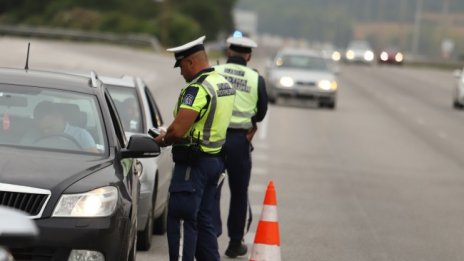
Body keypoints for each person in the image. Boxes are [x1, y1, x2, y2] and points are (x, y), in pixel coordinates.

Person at [152, 35, 236, 261]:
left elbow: (178, 131)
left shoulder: (197, 89)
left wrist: (161, 139)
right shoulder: (222, 84)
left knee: (180, 218)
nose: (181, 73)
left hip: (193, 165)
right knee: (202, 219)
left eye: (181, 66)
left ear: (190, 62)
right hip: (214, 161)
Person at [213, 32, 269, 258]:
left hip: (214, 138)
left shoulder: (215, 72)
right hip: (239, 140)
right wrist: (251, 124)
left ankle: (209, 236)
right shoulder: (255, 79)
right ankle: (235, 243)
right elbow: (262, 110)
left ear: (228, 52)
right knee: (238, 193)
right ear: (249, 55)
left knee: (211, 189)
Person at [21, 101, 97, 152]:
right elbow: (22, 155)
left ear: (59, 117)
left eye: (49, 127)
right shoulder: (32, 134)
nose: (45, 132)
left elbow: (94, 164)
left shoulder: (81, 135)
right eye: (42, 129)